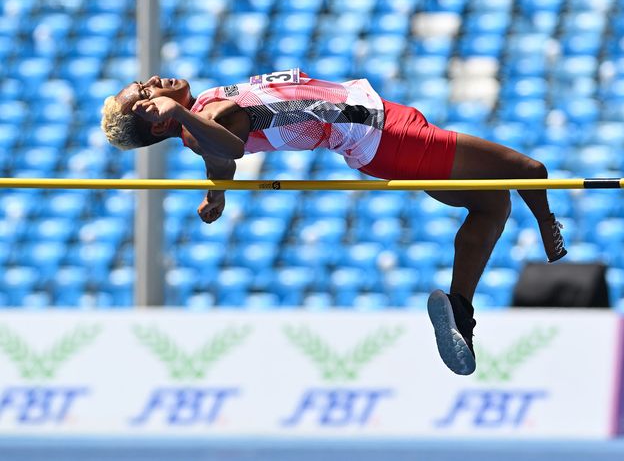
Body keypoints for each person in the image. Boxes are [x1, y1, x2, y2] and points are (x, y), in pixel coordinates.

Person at [100, 68, 566, 375]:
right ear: (158, 121)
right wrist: (181, 115)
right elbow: (229, 149)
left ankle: (460, 310)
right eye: (146, 93)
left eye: (144, 83)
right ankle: (550, 234)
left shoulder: (205, 114)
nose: (154, 80)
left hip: (380, 131)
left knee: (489, 204)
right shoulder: (204, 119)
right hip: (385, 136)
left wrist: (216, 193)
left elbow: (222, 157)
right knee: (527, 171)